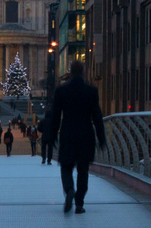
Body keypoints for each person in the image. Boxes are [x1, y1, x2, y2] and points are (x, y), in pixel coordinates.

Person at [42, 60, 105, 213]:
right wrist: (101, 137)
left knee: (66, 167)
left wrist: (52, 137)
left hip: (68, 134)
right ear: (83, 72)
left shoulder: (61, 91)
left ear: (70, 72)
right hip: (85, 135)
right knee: (83, 170)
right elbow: (97, 116)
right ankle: (79, 203)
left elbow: (56, 116)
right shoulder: (91, 91)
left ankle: (69, 189)